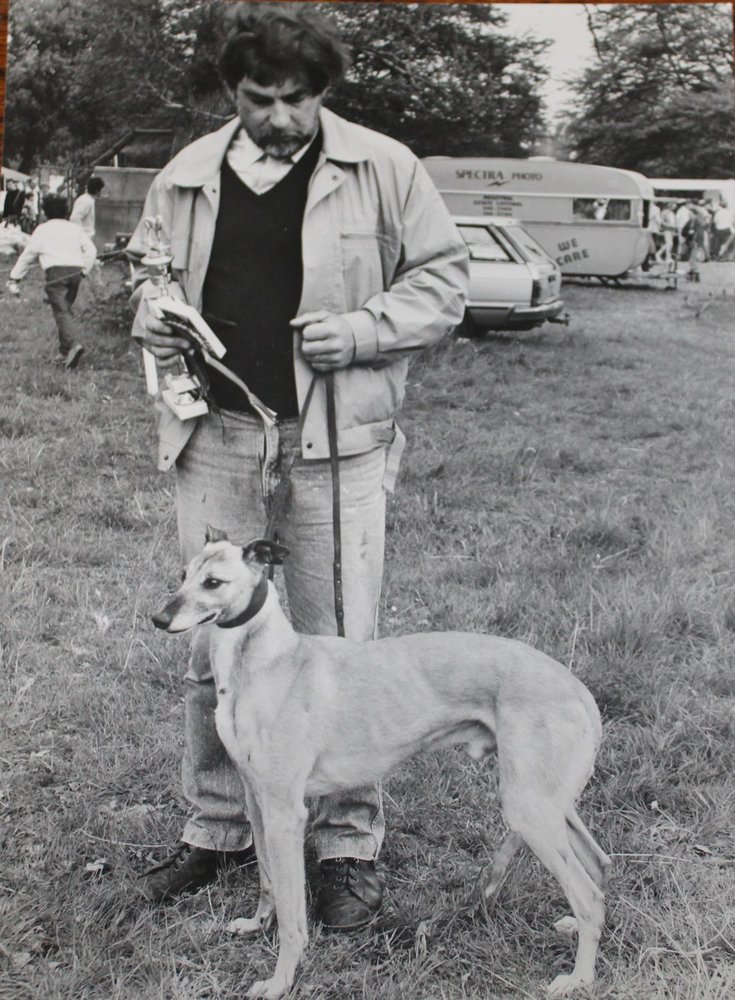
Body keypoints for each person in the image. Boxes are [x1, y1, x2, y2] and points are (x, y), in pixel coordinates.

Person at [127, 2, 468, 927]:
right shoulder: (186, 173)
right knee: (215, 644)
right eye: (258, 98)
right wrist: (153, 312)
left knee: (339, 646)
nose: (278, 117)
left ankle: (345, 846)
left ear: (323, 91)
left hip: (335, 444)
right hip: (218, 436)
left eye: (296, 98)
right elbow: (147, 274)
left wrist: (359, 331)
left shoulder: (384, 167)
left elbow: (444, 283)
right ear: (231, 91)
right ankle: (218, 828)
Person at [7, 192, 96, 368]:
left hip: (56, 273)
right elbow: (91, 250)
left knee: (61, 312)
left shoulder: (42, 230)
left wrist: (15, 277)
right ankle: (64, 352)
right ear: (66, 211)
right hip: (75, 273)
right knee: (65, 311)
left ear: (45, 212)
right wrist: (84, 271)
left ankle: (73, 345)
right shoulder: (74, 228)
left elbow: (28, 256)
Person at [71, 176, 106, 294]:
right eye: (102, 189)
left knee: (90, 264)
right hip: (84, 238)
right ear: (97, 190)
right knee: (91, 263)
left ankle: (96, 289)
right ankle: (98, 289)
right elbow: (75, 218)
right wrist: (81, 237)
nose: (103, 192)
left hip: (86, 237)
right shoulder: (86, 201)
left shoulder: (89, 200)